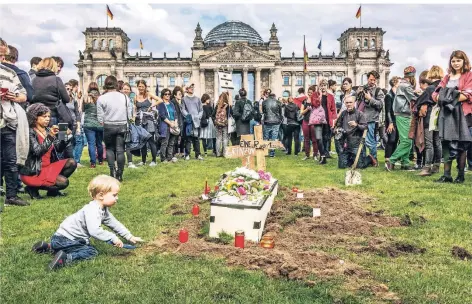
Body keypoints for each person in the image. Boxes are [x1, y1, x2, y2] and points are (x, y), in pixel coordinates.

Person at [31, 175, 144, 270]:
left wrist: (129, 236)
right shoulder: (93, 211)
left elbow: (114, 223)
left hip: (60, 238)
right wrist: (112, 238)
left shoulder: (102, 209)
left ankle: (49, 247)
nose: (117, 198)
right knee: (91, 251)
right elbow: (94, 231)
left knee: (82, 245)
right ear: (100, 195)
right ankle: (65, 258)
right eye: (114, 195)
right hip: (66, 240)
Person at [20, 103, 77, 198]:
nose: (47, 119)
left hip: (47, 167)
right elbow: (37, 151)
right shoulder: (29, 132)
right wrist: (50, 136)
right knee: (64, 182)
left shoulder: (47, 130)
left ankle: (52, 191)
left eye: (49, 116)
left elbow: (58, 149)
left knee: (72, 162)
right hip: (34, 172)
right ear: (35, 117)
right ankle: (32, 188)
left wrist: (65, 136)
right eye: (44, 116)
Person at [432, 50, 472, 183]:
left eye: (458, 60)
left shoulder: (468, 75)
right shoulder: (447, 77)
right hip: (446, 114)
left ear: (464, 61)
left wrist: (446, 97)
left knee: (461, 143)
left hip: (461, 114)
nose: (455, 63)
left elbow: (467, 95)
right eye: (453, 61)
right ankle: (447, 175)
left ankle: (460, 175)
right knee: (445, 143)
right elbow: (435, 94)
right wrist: (449, 95)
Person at [0, 38, 30, 208]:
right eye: (0, 55)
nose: (2, 59)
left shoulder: (10, 73)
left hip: (7, 120)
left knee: (11, 160)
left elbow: (24, 95)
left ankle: (11, 195)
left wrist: (15, 97)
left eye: (4, 56)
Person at [97, 76, 132, 181]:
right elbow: (129, 113)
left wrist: (104, 121)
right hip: (122, 125)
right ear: (116, 84)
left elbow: (100, 117)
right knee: (121, 150)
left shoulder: (101, 98)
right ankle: (120, 174)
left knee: (109, 149)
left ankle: (112, 171)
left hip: (108, 125)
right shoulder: (125, 97)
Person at [386, 66, 418, 171]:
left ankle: (405, 163)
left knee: (406, 139)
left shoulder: (402, 85)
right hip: (404, 114)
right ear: (412, 76)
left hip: (403, 114)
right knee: (407, 141)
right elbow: (414, 99)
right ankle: (392, 160)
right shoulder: (406, 86)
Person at [414, 68, 443, 176]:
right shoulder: (442, 87)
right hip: (439, 118)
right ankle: (436, 166)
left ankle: (426, 168)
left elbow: (418, 102)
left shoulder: (430, 88)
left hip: (430, 118)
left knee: (429, 143)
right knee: (437, 142)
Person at [334, 96, 373, 169]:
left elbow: (365, 127)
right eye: (347, 102)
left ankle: (369, 159)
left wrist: (356, 125)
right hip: (345, 144)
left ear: (354, 103)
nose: (348, 104)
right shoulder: (343, 113)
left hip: (356, 144)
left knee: (359, 166)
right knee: (342, 166)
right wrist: (337, 129)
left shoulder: (360, 114)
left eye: (350, 102)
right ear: (345, 104)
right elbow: (338, 125)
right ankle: (351, 159)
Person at [356, 71, 385, 164]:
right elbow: (356, 102)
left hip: (371, 119)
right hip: (360, 118)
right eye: (371, 79)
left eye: (374, 80)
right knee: (361, 141)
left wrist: (370, 99)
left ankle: (374, 160)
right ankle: (364, 159)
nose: (372, 81)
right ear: (367, 78)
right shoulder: (362, 88)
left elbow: (380, 104)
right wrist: (358, 94)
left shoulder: (378, 91)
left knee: (369, 141)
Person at [31, 57, 70, 126]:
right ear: (53, 66)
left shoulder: (33, 80)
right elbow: (66, 99)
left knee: (40, 136)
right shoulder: (56, 80)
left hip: (37, 117)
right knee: (53, 136)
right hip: (52, 116)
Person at [134, 80, 160, 166]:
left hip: (149, 121)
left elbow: (160, 100)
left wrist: (152, 106)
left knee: (151, 140)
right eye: (139, 86)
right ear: (137, 87)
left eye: (142, 86)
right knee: (142, 142)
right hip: (139, 121)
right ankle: (143, 161)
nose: (141, 88)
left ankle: (154, 161)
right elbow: (135, 108)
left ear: (145, 87)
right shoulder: (135, 97)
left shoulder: (149, 95)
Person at [83, 82, 104, 168]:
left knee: (91, 144)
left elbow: (83, 109)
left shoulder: (86, 97)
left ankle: (93, 163)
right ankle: (101, 160)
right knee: (99, 143)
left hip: (88, 124)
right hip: (99, 124)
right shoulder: (101, 98)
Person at [181, 83, 204, 160]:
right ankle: (187, 154)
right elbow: (183, 109)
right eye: (190, 87)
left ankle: (198, 155)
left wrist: (198, 117)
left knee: (196, 138)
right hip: (189, 122)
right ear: (187, 89)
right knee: (188, 138)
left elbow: (201, 110)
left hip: (196, 121)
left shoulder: (198, 99)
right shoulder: (184, 99)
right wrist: (188, 116)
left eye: (193, 87)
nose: (192, 89)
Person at [157, 88, 178, 163]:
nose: (167, 95)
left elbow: (175, 114)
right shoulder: (161, 104)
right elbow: (162, 116)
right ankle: (163, 158)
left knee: (171, 143)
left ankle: (169, 157)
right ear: (162, 95)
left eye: (169, 94)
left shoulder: (172, 104)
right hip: (165, 125)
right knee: (165, 143)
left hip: (173, 124)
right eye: (166, 94)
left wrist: (175, 122)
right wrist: (170, 123)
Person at [309, 87, 328, 164]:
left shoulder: (324, 97)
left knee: (320, 139)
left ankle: (323, 156)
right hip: (319, 121)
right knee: (318, 139)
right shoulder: (316, 96)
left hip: (322, 121)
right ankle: (323, 156)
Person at [119, 82, 136, 168]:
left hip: (128, 124)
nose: (126, 90)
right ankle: (120, 163)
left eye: (127, 89)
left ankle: (130, 162)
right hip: (119, 123)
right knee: (120, 144)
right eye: (124, 89)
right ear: (121, 90)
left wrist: (132, 118)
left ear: (130, 91)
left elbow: (132, 111)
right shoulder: (118, 99)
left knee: (128, 143)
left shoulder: (131, 100)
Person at [319, 80, 337, 159]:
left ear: (327, 86)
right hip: (318, 120)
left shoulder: (330, 96)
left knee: (327, 137)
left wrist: (333, 120)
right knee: (320, 137)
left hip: (327, 119)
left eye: (324, 85)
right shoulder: (317, 96)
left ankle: (326, 152)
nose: (323, 87)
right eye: (321, 85)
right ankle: (321, 153)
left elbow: (333, 109)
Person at [300, 86, 318, 160]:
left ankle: (315, 155)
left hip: (314, 122)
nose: (310, 94)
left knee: (314, 139)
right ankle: (307, 155)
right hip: (305, 121)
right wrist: (307, 109)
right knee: (306, 139)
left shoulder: (316, 100)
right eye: (309, 92)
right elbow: (301, 113)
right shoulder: (304, 101)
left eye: (311, 92)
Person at [384, 77, 400, 162]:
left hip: (397, 120)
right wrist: (390, 123)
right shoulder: (388, 95)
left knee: (396, 139)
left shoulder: (397, 94)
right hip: (391, 120)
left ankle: (393, 158)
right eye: (399, 82)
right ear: (395, 83)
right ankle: (387, 157)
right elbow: (388, 110)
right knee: (391, 139)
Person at [262, 92, 282, 157]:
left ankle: (264, 152)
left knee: (266, 137)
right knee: (274, 137)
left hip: (267, 121)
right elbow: (280, 112)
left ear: (269, 96)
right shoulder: (278, 102)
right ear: (274, 96)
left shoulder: (264, 102)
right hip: (276, 121)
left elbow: (263, 111)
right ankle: (272, 153)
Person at [213, 92, 232, 157]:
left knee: (218, 139)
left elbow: (212, 115)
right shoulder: (228, 106)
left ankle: (218, 154)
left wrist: (215, 122)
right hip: (225, 124)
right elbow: (231, 114)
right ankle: (224, 153)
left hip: (218, 124)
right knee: (225, 139)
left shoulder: (217, 105)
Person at [171, 86, 185, 158]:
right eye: (179, 94)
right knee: (175, 138)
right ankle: (175, 152)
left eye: (181, 94)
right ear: (175, 95)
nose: (181, 95)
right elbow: (175, 113)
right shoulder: (173, 102)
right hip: (176, 122)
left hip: (181, 121)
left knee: (181, 137)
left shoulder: (180, 102)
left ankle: (181, 152)